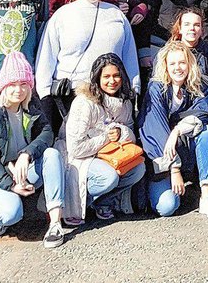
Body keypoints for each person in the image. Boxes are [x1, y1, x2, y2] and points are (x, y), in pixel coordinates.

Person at [0, 51, 67, 247]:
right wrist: (11, 184)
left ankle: (56, 222)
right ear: (3, 86)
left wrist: (27, 153)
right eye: (13, 84)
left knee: (52, 154)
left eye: (24, 84)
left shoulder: (31, 106)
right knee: (10, 214)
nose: (18, 90)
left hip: (25, 168)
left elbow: (46, 133)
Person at [35, 0, 140, 134]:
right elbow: (47, 56)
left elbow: (129, 55)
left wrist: (134, 87)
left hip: (110, 93)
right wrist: (45, 93)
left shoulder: (116, 15)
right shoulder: (62, 15)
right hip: (71, 94)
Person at [139, 41, 208, 219]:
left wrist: (177, 130)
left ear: (189, 64)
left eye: (182, 62)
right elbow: (155, 130)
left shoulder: (195, 86)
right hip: (162, 157)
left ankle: (207, 196)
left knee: (206, 131)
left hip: (184, 147)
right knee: (167, 207)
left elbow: (202, 114)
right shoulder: (156, 89)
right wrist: (174, 169)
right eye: (172, 63)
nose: (178, 68)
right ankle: (174, 186)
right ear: (165, 66)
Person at [61, 52, 148, 224]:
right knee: (109, 177)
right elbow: (75, 148)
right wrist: (106, 138)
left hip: (109, 156)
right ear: (97, 78)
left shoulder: (125, 103)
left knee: (138, 168)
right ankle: (76, 204)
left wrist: (121, 132)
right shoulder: (84, 102)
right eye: (106, 76)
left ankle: (102, 202)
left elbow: (130, 131)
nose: (112, 81)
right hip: (81, 158)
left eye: (116, 76)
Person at [172, 6, 208, 80]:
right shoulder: (168, 53)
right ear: (180, 28)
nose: (192, 28)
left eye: (197, 25)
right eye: (187, 24)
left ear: (202, 29)